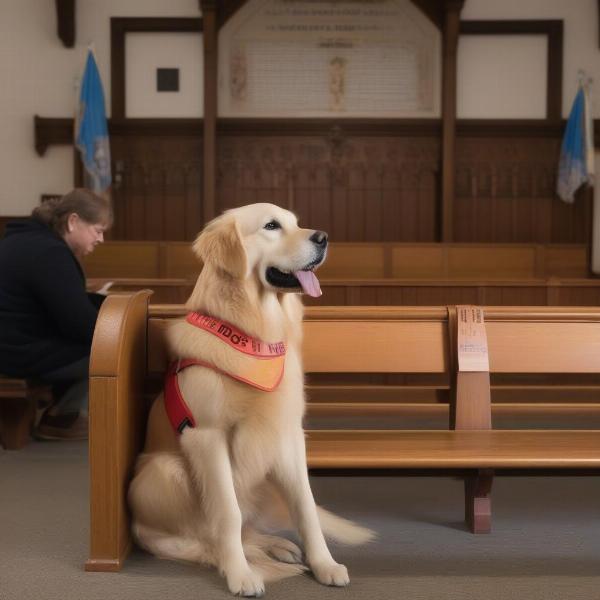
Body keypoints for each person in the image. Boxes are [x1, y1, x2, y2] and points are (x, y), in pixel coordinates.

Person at [0, 188, 113, 440]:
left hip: (13, 343)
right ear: (73, 222)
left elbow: (57, 304)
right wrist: (116, 328)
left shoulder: (25, 240)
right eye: (98, 230)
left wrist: (99, 307)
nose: (101, 240)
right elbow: (79, 325)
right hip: (17, 352)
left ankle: (60, 408)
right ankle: (62, 418)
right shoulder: (50, 253)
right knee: (112, 348)